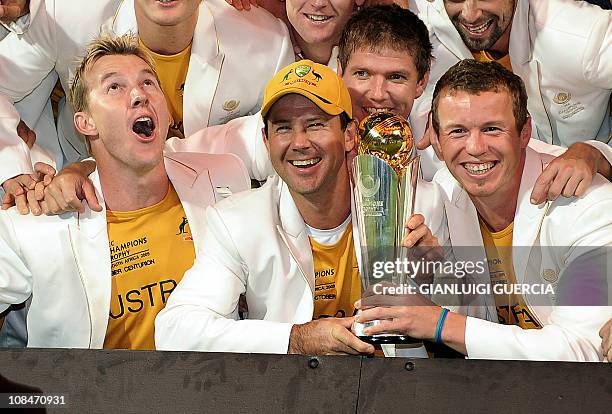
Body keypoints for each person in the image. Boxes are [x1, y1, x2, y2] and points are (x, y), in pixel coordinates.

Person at [154, 60, 446, 355]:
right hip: (294, 395)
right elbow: (175, 329)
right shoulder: (237, 222)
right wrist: (296, 340)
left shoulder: (418, 204)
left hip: (396, 389)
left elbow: (469, 324)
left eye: (315, 124)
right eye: (283, 128)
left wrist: (431, 278)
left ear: (349, 135)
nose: (299, 142)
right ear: (266, 141)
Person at [0, 34, 251, 349]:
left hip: (214, 391)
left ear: (168, 112)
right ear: (86, 123)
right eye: (114, 87)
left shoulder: (223, 177)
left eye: (148, 83)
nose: (138, 94)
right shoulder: (34, 223)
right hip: (94, 396)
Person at [356, 60, 612, 361]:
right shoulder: (447, 191)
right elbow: (478, 319)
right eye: (457, 131)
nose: (475, 147)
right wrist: (435, 275)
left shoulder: (589, 205)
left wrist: (439, 322)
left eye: (492, 129)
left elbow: (584, 349)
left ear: (525, 131)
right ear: (436, 141)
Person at [0, 0, 292, 212]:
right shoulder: (66, 13)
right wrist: (14, 166)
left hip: (210, 207)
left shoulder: (266, 43)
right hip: (73, 192)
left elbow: (276, 148)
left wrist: (90, 167)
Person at [412, 0, 611, 153]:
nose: (470, 15)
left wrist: (599, 155)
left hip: (586, 189)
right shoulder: (432, 28)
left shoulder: (582, 35)